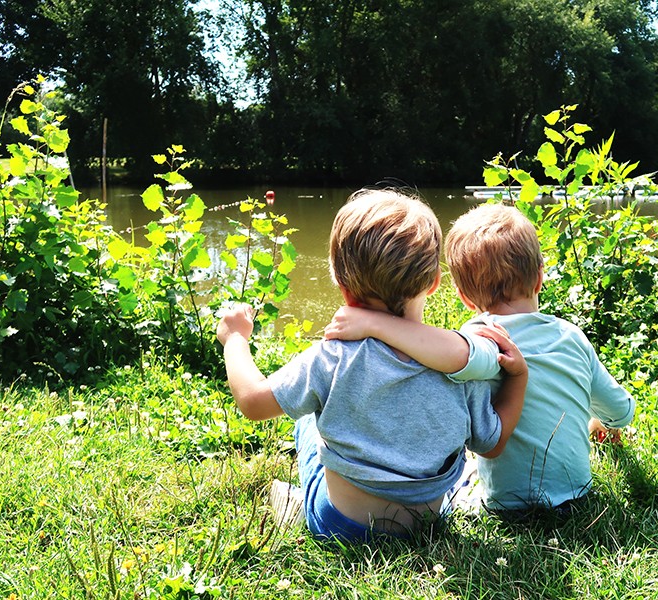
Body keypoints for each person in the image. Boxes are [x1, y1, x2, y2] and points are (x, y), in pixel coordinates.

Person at [216, 189, 528, 542]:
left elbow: (253, 402)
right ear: (434, 283)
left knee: (306, 420)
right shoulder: (461, 363)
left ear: (343, 287)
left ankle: (298, 507)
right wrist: (518, 378)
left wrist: (236, 339)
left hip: (341, 527)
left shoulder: (332, 357)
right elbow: (493, 444)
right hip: (426, 527)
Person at [324, 202, 635, 514]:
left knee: (462, 476)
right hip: (575, 494)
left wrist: (375, 324)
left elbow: (440, 353)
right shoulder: (572, 337)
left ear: (463, 296)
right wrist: (599, 422)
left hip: (504, 502)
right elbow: (621, 411)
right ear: (540, 278)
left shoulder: (478, 338)